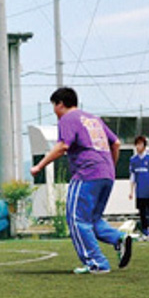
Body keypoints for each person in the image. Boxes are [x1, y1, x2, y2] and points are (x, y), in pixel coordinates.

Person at [30, 87, 132, 274]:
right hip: (106, 174)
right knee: (92, 219)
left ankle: (97, 263)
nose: (54, 111)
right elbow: (115, 143)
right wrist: (111, 166)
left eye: (54, 105)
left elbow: (62, 146)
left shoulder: (68, 119)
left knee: (77, 220)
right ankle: (118, 239)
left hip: (87, 174)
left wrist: (39, 166)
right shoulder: (94, 119)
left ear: (60, 104)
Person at [129, 136, 149, 241]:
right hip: (139, 191)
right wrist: (131, 191)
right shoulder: (133, 160)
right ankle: (144, 232)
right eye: (137, 144)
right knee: (141, 212)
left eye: (140, 144)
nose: (138, 146)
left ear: (144, 146)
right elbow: (132, 176)